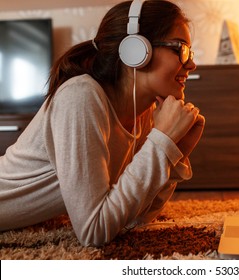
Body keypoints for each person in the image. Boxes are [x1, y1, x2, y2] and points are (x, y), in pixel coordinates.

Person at [0, 0, 205, 246]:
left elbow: (135, 218)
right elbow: (93, 231)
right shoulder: (80, 96)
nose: (191, 64)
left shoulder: (148, 114)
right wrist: (161, 143)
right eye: (180, 49)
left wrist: (174, 152)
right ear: (137, 50)